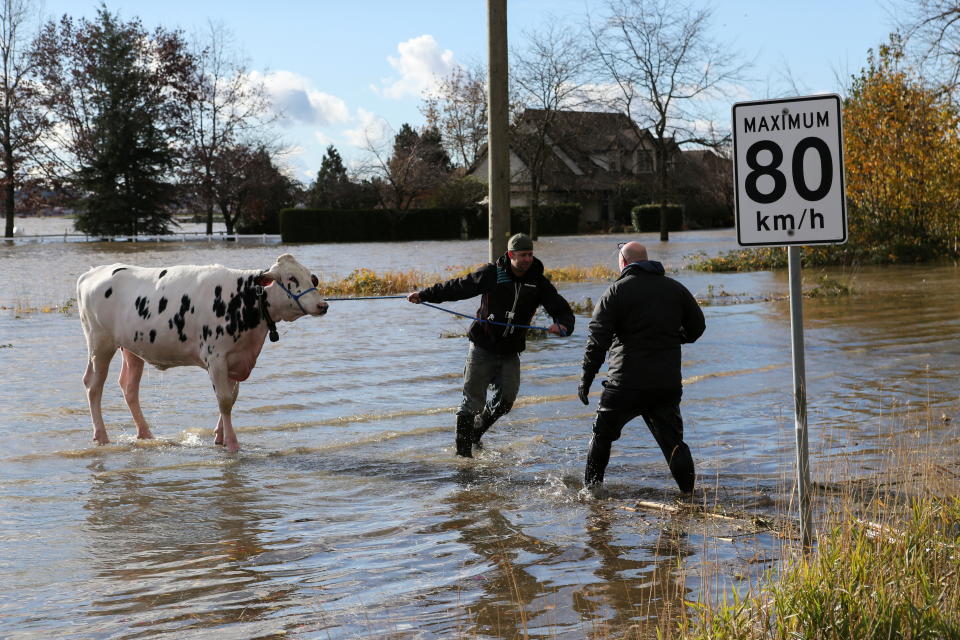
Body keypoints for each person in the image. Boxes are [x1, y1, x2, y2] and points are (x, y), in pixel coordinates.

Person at [408, 233, 575, 458]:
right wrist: (425, 295)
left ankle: (476, 433)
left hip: (510, 351)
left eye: (530, 254)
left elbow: (561, 308)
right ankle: (463, 458)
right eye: (523, 255)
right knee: (471, 403)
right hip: (482, 347)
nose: (527, 259)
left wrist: (563, 325)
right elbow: (457, 287)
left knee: (506, 402)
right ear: (510, 255)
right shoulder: (491, 274)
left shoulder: (538, 282)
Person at [578, 241, 705, 493]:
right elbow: (697, 327)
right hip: (665, 384)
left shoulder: (615, 292)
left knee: (602, 435)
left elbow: (597, 341)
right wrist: (677, 337)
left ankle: (591, 492)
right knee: (673, 443)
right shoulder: (675, 289)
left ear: (623, 263)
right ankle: (689, 495)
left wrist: (586, 378)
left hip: (624, 383)